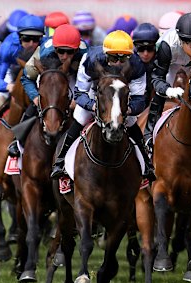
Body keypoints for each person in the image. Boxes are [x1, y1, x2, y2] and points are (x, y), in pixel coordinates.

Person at [50, 30, 155, 181]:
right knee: (80, 117)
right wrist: (93, 106)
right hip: (96, 94)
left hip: (121, 96)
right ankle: (60, 161)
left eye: (123, 58)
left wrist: (126, 110)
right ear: (106, 54)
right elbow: (79, 93)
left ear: (130, 56)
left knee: (131, 122)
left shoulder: (137, 65)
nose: (118, 63)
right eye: (114, 57)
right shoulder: (90, 59)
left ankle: (146, 164)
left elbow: (139, 99)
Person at [6, 24, 88, 157]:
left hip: (76, 76)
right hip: (50, 74)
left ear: (77, 50)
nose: (65, 56)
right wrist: (35, 97)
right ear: (55, 48)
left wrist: (79, 100)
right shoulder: (44, 54)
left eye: (70, 52)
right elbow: (26, 79)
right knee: (43, 99)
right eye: (61, 51)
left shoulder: (86, 55)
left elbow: (91, 83)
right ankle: (17, 141)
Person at [144, 12, 191, 152]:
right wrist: (168, 90)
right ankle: (148, 134)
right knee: (160, 95)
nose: (189, 46)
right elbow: (157, 77)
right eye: (185, 41)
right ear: (178, 36)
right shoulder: (166, 44)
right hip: (171, 63)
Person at [0, 14, 45, 150]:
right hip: (14, 70)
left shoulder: (46, 47)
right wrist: (7, 86)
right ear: (19, 37)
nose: (31, 44)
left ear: (42, 38)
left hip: (37, 72)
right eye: (27, 39)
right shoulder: (8, 46)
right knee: (3, 97)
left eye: (35, 39)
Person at [131, 22, 159, 107]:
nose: (146, 54)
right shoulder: (128, 63)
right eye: (141, 49)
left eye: (150, 49)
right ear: (135, 48)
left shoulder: (162, 62)